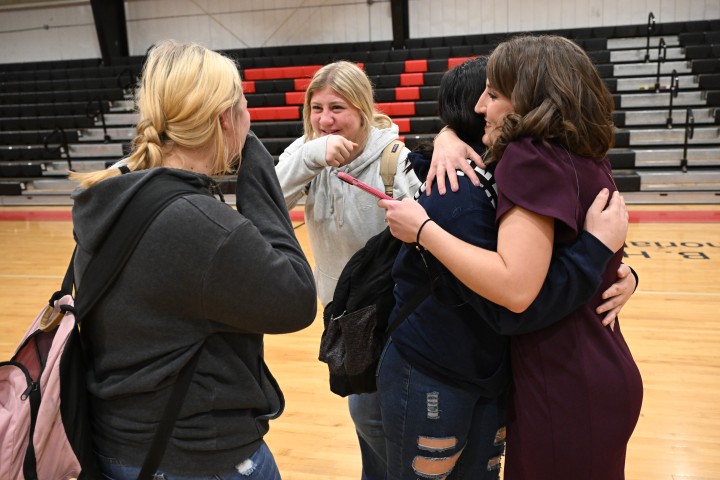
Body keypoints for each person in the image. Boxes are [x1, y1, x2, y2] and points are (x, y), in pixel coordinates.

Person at [380, 35, 643, 479]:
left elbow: (515, 291)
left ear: (534, 99)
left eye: (495, 94)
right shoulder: (582, 154)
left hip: (563, 378)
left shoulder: (530, 157)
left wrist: (424, 231)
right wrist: (446, 134)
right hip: (597, 367)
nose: (482, 106)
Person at [69, 40, 317, 479]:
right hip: (195, 455)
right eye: (244, 107)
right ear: (225, 119)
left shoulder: (113, 197)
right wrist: (254, 159)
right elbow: (295, 298)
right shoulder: (201, 226)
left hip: (119, 444)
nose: (250, 117)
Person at [274, 60, 421, 480]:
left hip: (390, 315)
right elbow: (268, 201)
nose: (325, 119)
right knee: (368, 417)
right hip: (342, 312)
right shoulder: (306, 150)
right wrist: (309, 158)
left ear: (362, 107)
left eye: (337, 108)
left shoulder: (393, 158)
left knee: (371, 415)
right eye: (316, 108)